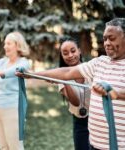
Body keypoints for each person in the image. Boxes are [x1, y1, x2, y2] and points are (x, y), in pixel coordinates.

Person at [16, 18, 125, 149]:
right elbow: (67, 72)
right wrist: (31, 74)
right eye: (105, 38)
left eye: (111, 38)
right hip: (95, 144)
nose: (106, 43)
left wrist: (115, 93)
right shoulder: (100, 62)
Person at [58, 37, 90, 150]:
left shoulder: (91, 68)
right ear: (62, 56)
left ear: (79, 51)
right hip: (79, 123)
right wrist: (65, 80)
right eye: (65, 53)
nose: (70, 55)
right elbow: (75, 102)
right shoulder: (60, 77)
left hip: (97, 119)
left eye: (73, 51)